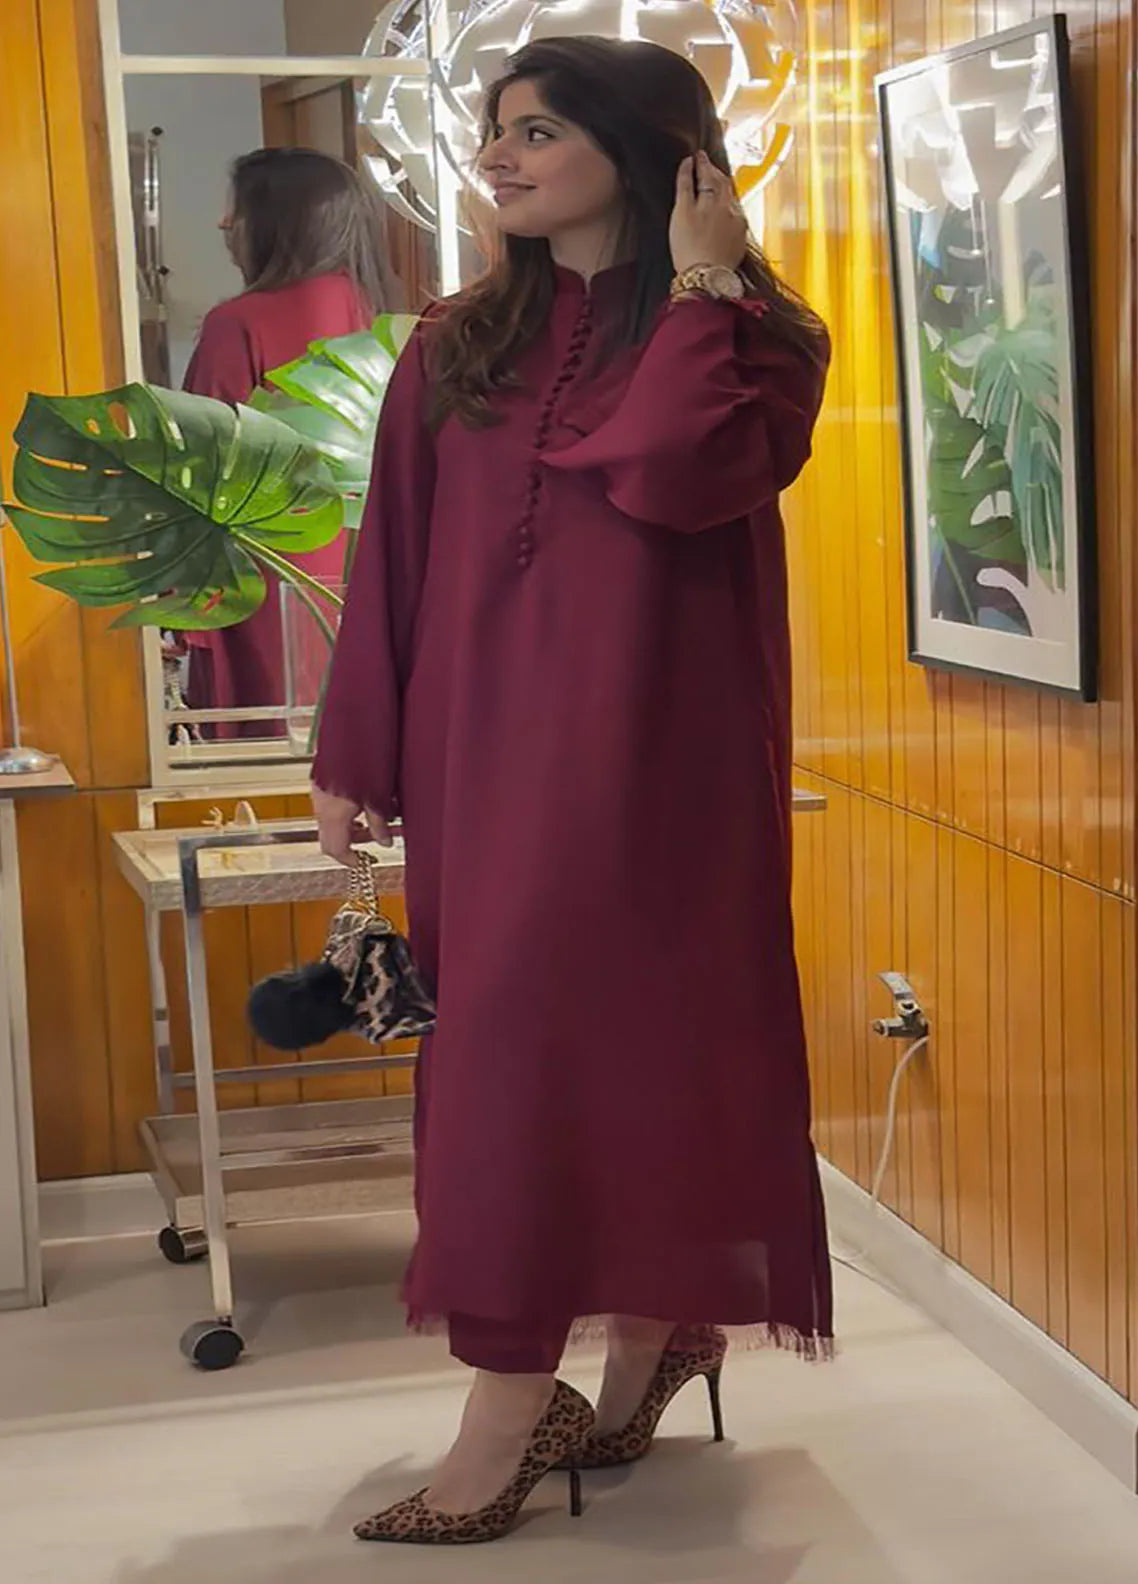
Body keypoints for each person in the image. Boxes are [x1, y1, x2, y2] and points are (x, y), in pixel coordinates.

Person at [312, 36, 833, 1547]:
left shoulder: (752, 341)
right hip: (486, 771)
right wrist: (355, 754)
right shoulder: (455, 344)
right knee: (504, 1070)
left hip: (666, 773)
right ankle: (545, 1377)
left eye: (538, 130)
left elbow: (678, 471)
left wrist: (699, 282)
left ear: (653, 151)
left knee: (653, 1053)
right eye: (496, 129)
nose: (500, 154)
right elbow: (391, 561)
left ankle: (592, 1368)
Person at [181, 147, 392, 737]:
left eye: (240, 209)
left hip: (268, 568)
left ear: (282, 220)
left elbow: (198, 469)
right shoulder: (385, 318)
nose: (224, 222)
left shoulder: (240, 323)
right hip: (371, 564)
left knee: (265, 743)